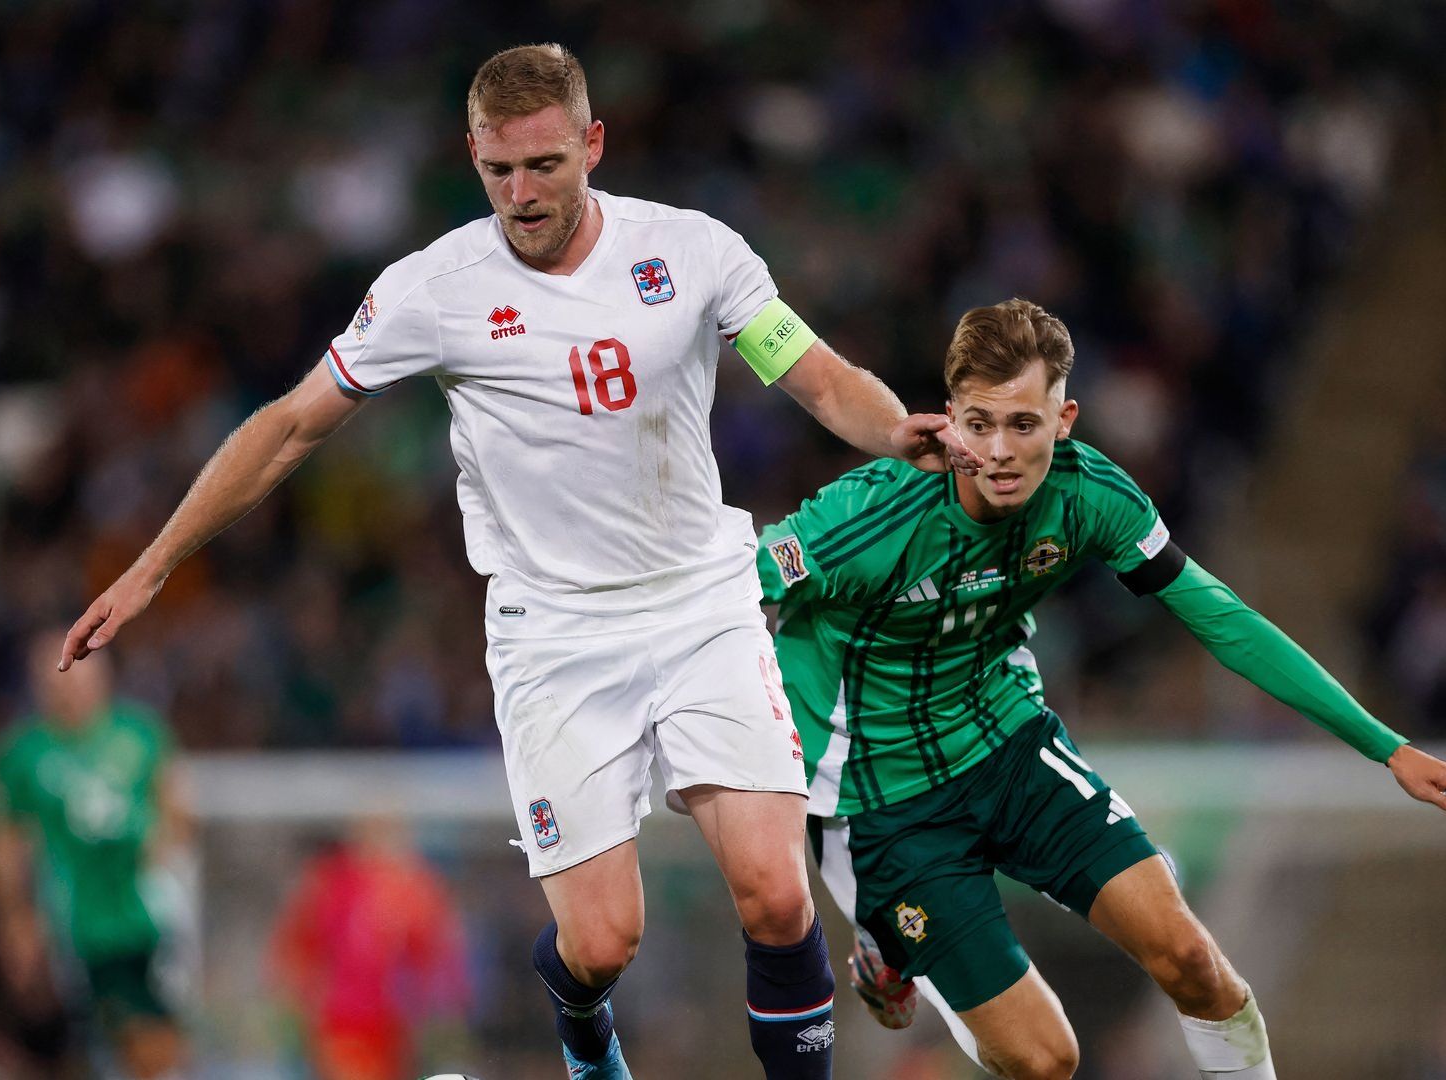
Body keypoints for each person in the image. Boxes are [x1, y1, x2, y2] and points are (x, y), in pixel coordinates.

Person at [57, 42, 980, 1080]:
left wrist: (898, 426)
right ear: (473, 157)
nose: (522, 193)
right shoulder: (434, 289)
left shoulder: (691, 252)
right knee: (602, 943)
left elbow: (810, 375)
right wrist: (154, 566)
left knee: (775, 892)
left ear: (592, 142)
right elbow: (288, 427)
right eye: (500, 171)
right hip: (555, 637)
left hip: (700, 606)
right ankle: (584, 1027)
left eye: (544, 165)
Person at [755, 299, 1446, 1080]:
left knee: (1189, 956)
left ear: (1067, 417)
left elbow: (1223, 621)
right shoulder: (869, 517)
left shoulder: (1091, 497)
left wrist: (1387, 748)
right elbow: (721, 590)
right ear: (948, 418)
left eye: (1025, 424)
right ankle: (888, 938)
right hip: (880, 799)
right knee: (1047, 1060)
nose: (1001, 451)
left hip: (1006, 742)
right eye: (979, 424)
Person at [0, 637, 192, 1079]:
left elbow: (174, 806)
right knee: (96, 1038)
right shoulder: (23, 753)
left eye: (81, 671)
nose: (69, 685)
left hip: (146, 911)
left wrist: (164, 849)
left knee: (154, 1035)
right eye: (58, 674)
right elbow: (1, 837)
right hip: (74, 920)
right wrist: (16, 917)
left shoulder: (139, 734)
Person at [269, 817, 473, 1080]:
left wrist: (437, 1009)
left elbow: (437, 951)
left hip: (394, 1025)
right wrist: (304, 999)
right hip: (343, 1021)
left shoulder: (414, 886)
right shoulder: (331, 883)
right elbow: (294, 947)